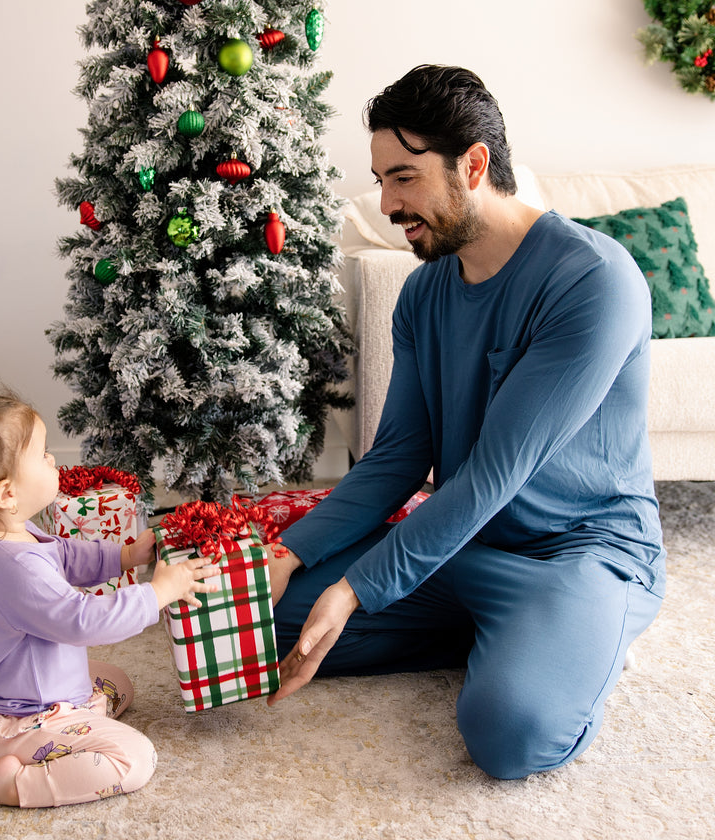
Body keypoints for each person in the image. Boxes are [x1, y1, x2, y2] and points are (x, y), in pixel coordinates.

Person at [266, 65, 666, 780]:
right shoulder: (422, 294)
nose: (386, 202)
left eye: (403, 177)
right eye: (380, 179)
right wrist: (292, 553)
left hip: (579, 554)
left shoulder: (593, 281)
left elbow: (491, 474)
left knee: (511, 735)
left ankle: (576, 633)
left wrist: (356, 589)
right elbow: (395, 459)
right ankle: (499, 635)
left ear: (473, 164)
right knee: (262, 627)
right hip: (465, 549)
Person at [0, 393, 220, 807]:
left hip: (13, 695)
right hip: (22, 724)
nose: (54, 461)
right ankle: (10, 781)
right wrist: (157, 592)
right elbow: (83, 621)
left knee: (119, 684)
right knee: (135, 758)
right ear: (7, 495)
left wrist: (124, 556)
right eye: (44, 454)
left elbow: (64, 555)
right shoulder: (16, 570)